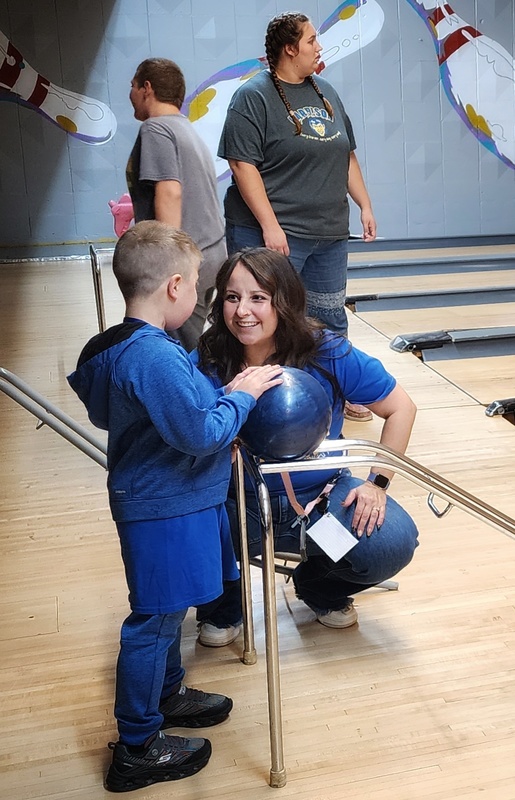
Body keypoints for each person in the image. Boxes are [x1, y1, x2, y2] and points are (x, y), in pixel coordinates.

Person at [67, 223, 282, 792]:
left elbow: (166, 412)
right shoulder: (154, 356)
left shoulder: (127, 347)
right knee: (154, 621)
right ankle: (138, 746)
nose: (201, 300)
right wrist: (243, 397)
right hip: (164, 506)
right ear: (175, 287)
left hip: (169, 500)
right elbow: (198, 434)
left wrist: (222, 397)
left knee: (169, 613)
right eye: (200, 287)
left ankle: (166, 696)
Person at [193, 247, 419, 646]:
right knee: (181, 527)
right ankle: (224, 606)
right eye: (232, 297)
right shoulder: (207, 358)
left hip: (319, 501)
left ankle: (318, 587)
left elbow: (401, 407)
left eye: (258, 298)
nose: (242, 311)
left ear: (284, 301)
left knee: (390, 543)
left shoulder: (325, 350)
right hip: (238, 503)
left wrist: (376, 484)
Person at [217, 12, 376, 421]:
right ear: (290, 49)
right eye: (311, 40)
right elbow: (242, 165)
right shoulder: (253, 96)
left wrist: (364, 204)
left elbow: (346, 154)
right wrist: (270, 226)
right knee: (262, 316)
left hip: (328, 230)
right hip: (275, 231)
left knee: (329, 316)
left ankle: (337, 389)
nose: (318, 47)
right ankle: (254, 398)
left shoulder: (326, 92)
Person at [126, 57, 226, 351]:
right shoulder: (186, 129)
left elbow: (170, 192)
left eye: (132, 86)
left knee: (182, 352)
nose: (130, 94)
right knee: (195, 344)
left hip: (186, 261)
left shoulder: (155, 128)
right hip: (211, 252)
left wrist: (168, 263)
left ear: (147, 88)